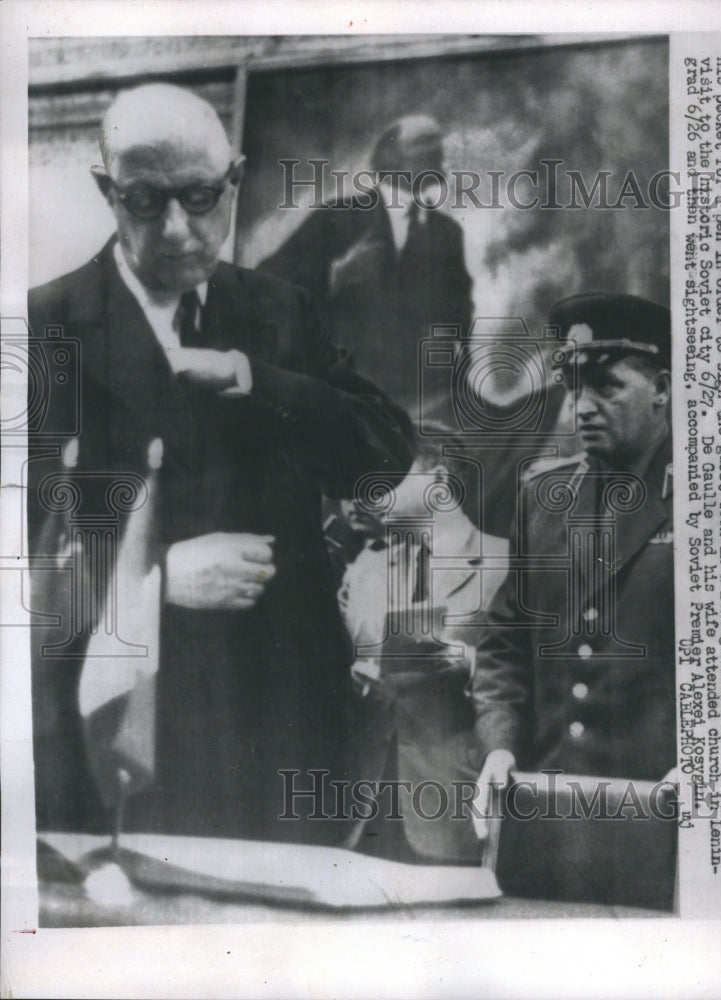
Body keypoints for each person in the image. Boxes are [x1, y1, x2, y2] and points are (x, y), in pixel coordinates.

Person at [27, 83, 413, 844]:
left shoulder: (279, 312)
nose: (176, 229)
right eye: (144, 201)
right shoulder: (45, 327)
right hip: (133, 725)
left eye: (201, 197)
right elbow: (22, 545)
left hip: (284, 715)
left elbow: (381, 459)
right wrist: (158, 576)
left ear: (233, 182)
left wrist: (255, 376)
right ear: (108, 192)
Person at [470, 293, 676, 837]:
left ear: (663, 389)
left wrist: (716, 765)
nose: (583, 406)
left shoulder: (710, 502)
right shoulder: (542, 496)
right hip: (545, 813)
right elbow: (504, 644)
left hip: (663, 816)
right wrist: (500, 749)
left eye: (607, 387)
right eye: (576, 387)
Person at [339, 431, 508, 862]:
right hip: (360, 800)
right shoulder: (365, 566)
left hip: (449, 797)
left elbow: (523, 680)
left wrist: (466, 663)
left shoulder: (507, 564)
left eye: (391, 471)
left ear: (438, 479)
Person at [260, 114, 473, 415]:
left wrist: (460, 380)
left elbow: (460, 318)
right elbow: (269, 281)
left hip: (423, 402)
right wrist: (335, 275)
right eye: (430, 153)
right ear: (397, 163)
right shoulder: (337, 217)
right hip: (345, 396)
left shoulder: (448, 234)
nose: (441, 164)